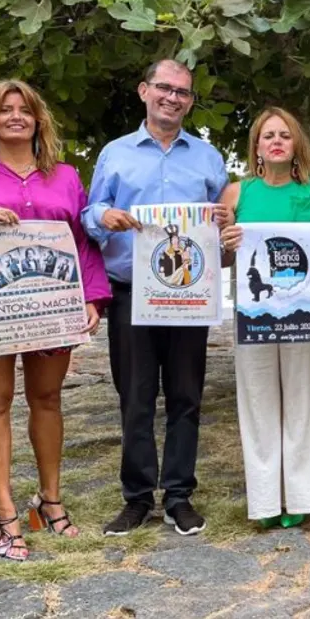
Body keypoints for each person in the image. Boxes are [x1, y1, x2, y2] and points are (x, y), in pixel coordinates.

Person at [0, 79, 110, 560]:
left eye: (25, 110)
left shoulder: (66, 176)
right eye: (5, 110)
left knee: (48, 398)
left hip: (55, 299)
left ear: (39, 120)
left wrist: (92, 297)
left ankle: (49, 501)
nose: (15, 116)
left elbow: (83, 242)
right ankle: (5, 513)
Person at [82, 59, 232, 536]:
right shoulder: (115, 153)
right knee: (136, 397)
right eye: (164, 88)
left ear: (190, 101)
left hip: (189, 294)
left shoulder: (207, 157)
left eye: (183, 92)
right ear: (144, 90)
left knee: (187, 396)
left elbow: (222, 217)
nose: (173, 97)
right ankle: (138, 497)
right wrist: (102, 217)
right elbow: (91, 209)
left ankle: (180, 495)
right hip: (131, 293)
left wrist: (223, 225)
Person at [218, 107, 310, 529]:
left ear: (296, 143)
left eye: (284, 135)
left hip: (305, 312)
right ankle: (266, 501)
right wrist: (226, 242)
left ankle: (301, 497)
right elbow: (221, 258)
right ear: (256, 147)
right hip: (254, 314)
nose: (276, 141)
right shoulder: (236, 194)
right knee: (257, 403)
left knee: (304, 402)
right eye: (268, 135)